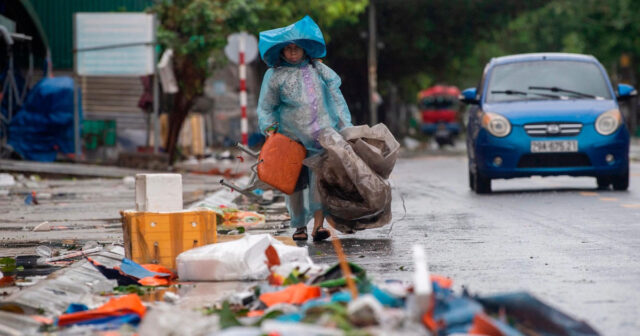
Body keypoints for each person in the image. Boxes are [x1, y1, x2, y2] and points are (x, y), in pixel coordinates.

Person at [257, 16, 352, 241]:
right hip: (291, 139)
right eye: (287, 49)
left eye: (296, 48)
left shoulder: (320, 70)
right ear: (280, 52)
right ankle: (299, 227)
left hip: (322, 136)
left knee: (320, 182)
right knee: (294, 184)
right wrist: (269, 129)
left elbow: (337, 98)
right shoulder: (274, 76)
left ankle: (318, 226)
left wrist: (345, 126)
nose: (292, 53)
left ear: (304, 49)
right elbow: (265, 106)